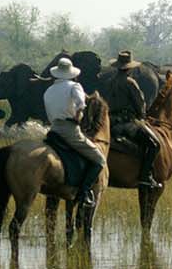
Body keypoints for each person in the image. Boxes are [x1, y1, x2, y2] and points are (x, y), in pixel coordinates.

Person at [43, 57, 105, 207]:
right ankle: (84, 193)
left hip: (53, 130)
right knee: (99, 159)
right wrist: (78, 116)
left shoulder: (48, 90)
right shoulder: (74, 86)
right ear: (71, 73)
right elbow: (81, 104)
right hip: (69, 130)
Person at [106, 51, 163, 189]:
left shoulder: (111, 81)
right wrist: (142, 116)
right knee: (154, 144)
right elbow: (140, 103)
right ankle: (145, 177)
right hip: (127, 123)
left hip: (111, 122)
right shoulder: (130, 82)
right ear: (130, 68)